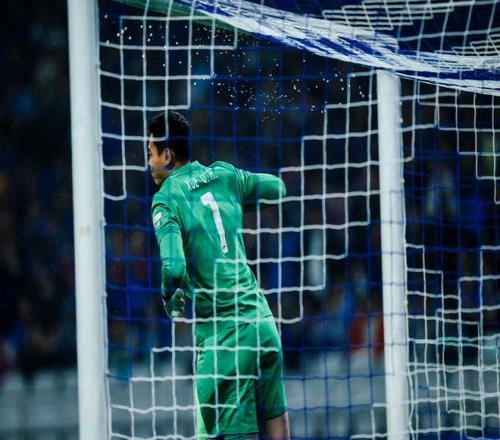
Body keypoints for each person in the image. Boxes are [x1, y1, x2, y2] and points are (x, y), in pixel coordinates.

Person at [148, 111, 290, 439]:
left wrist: (169, 295)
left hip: (225, 338)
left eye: (150, 153)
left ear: (167, 155)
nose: (149, 162)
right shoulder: (224, 175)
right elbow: (278, 189)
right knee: (276, 417)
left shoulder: (166, 199)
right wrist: (236, 196)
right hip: (263, 324)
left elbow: (174, 268)